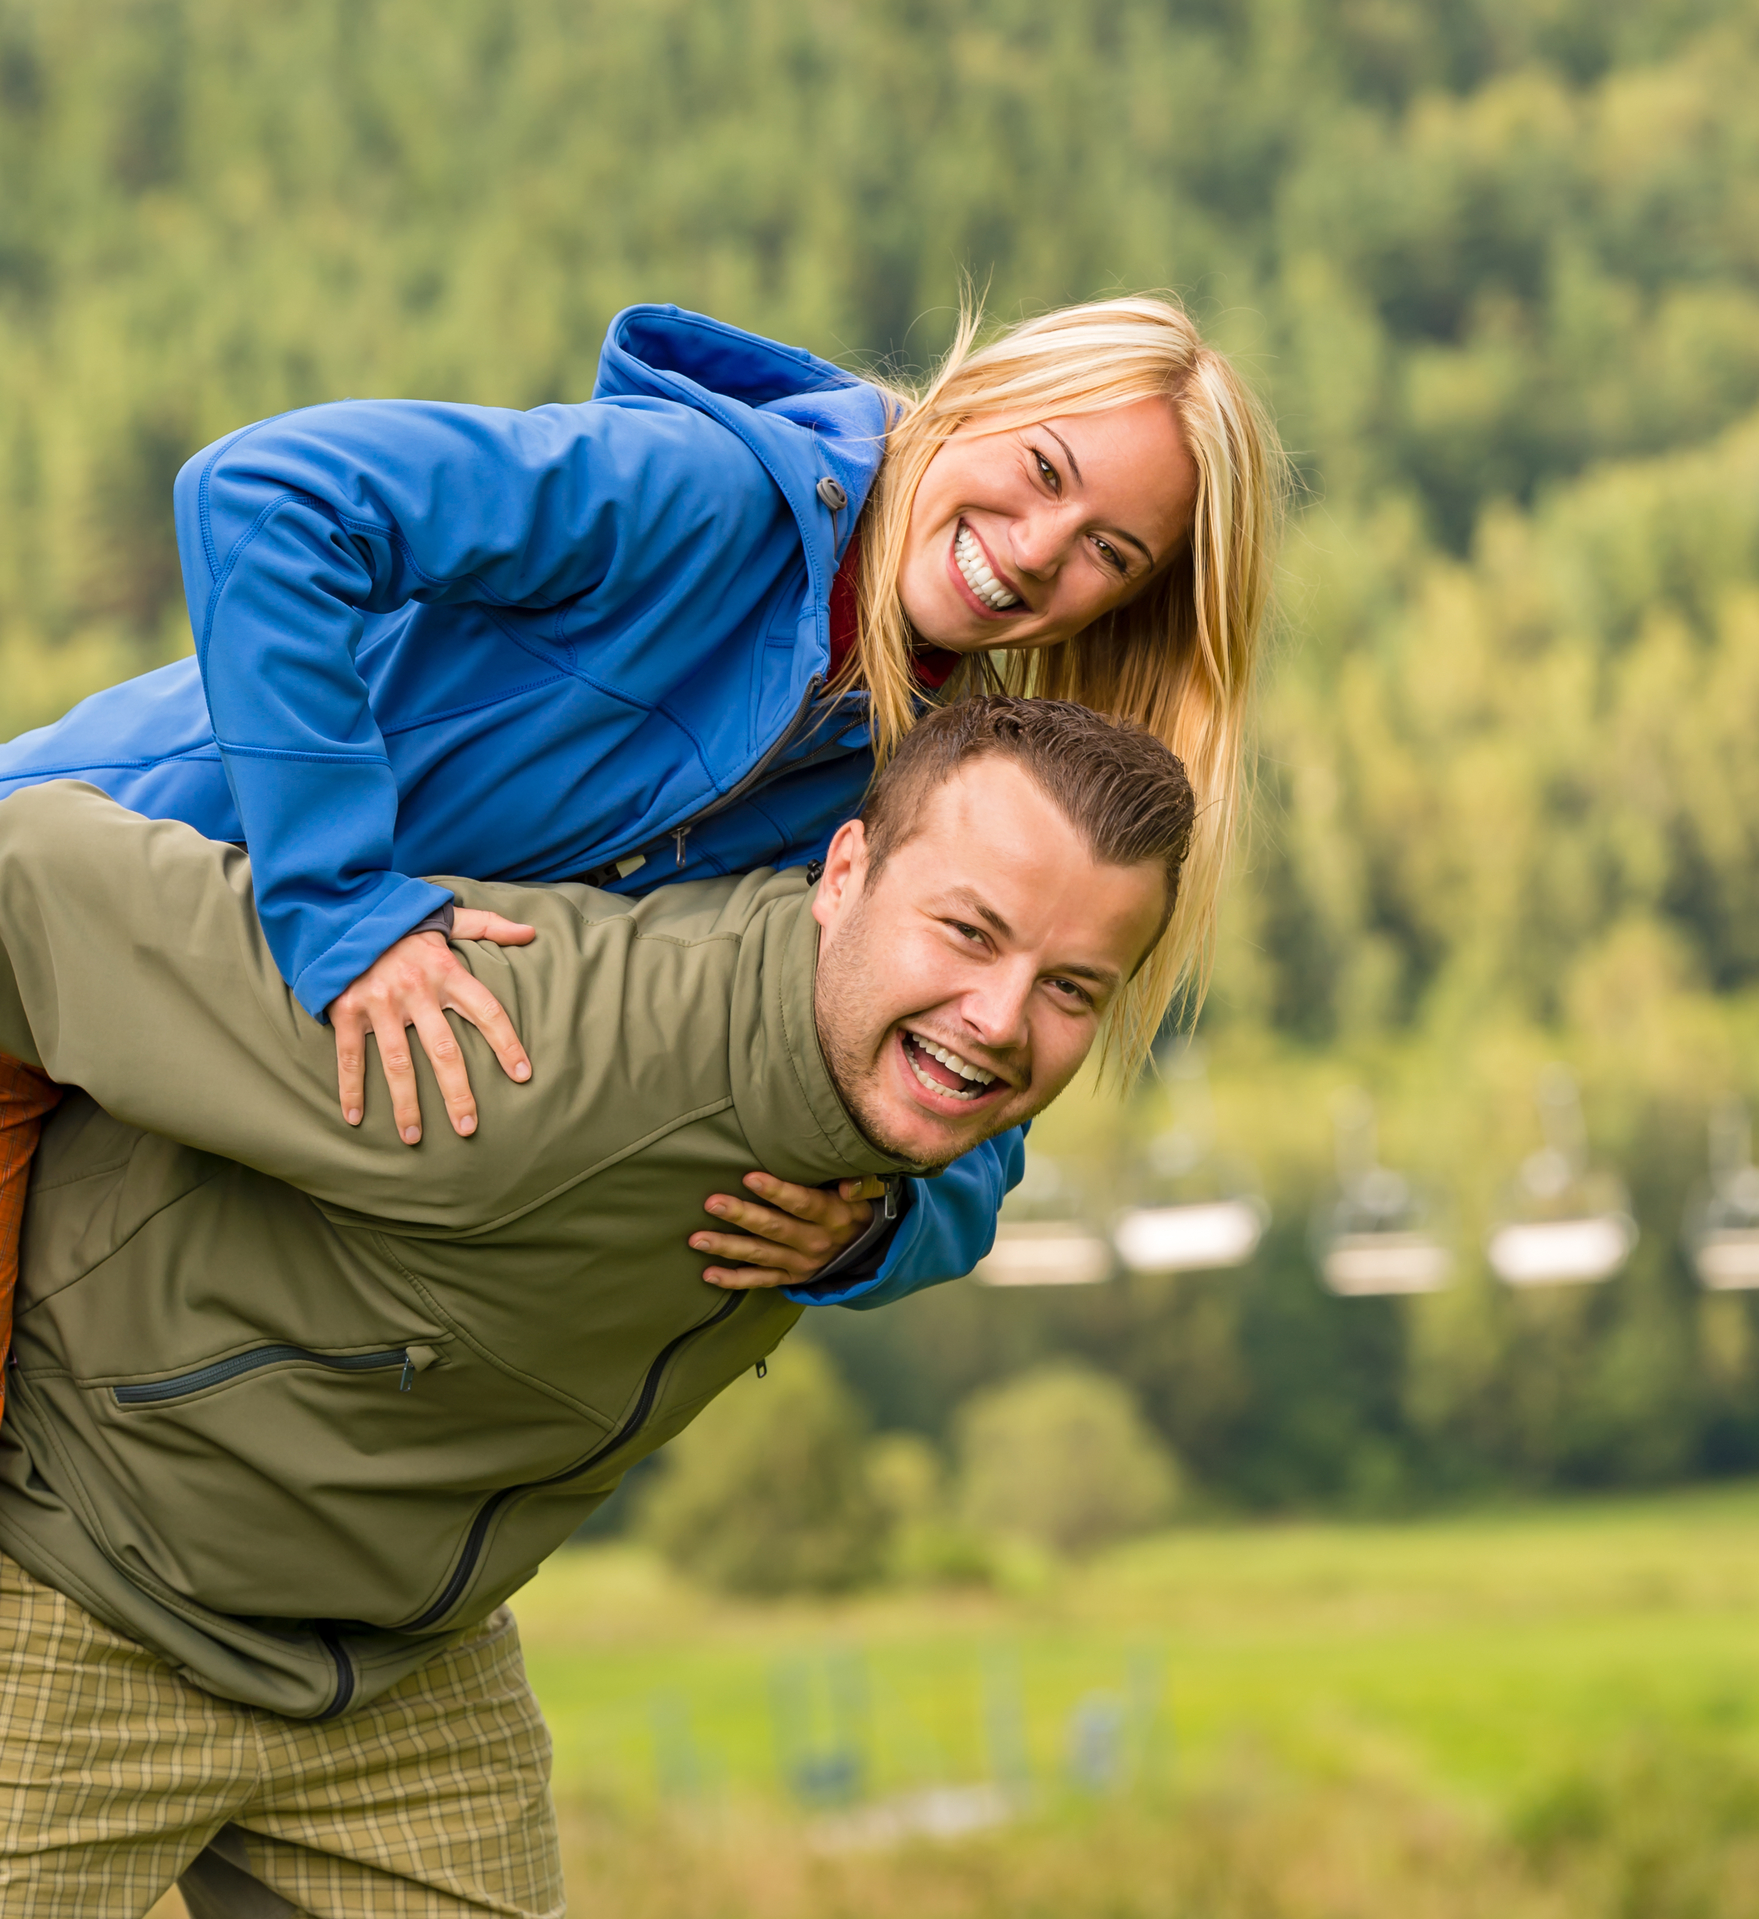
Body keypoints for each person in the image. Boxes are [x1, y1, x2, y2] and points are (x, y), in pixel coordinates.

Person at [0, 696, 1194, 1916]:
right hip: (81, 1578)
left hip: (403, 1667)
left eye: (1069, 989)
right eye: (967, 931)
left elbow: (972, 1174)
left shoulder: (878, 1130)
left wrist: (884, 1225)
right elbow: (24, 875)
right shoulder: (520, 1043)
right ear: (842, 872)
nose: (997, 1019)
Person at [0, 295, 1281, 1399]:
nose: (1038, 549)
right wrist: (346, 906)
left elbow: (980, 1081)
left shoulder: (926, 761)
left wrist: (880, 1217)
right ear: (977, 397)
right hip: (57, 936)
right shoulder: (700, 493)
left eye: (1108, 551)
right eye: (1045, 469)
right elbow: (265, 496)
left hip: (190, 1067)